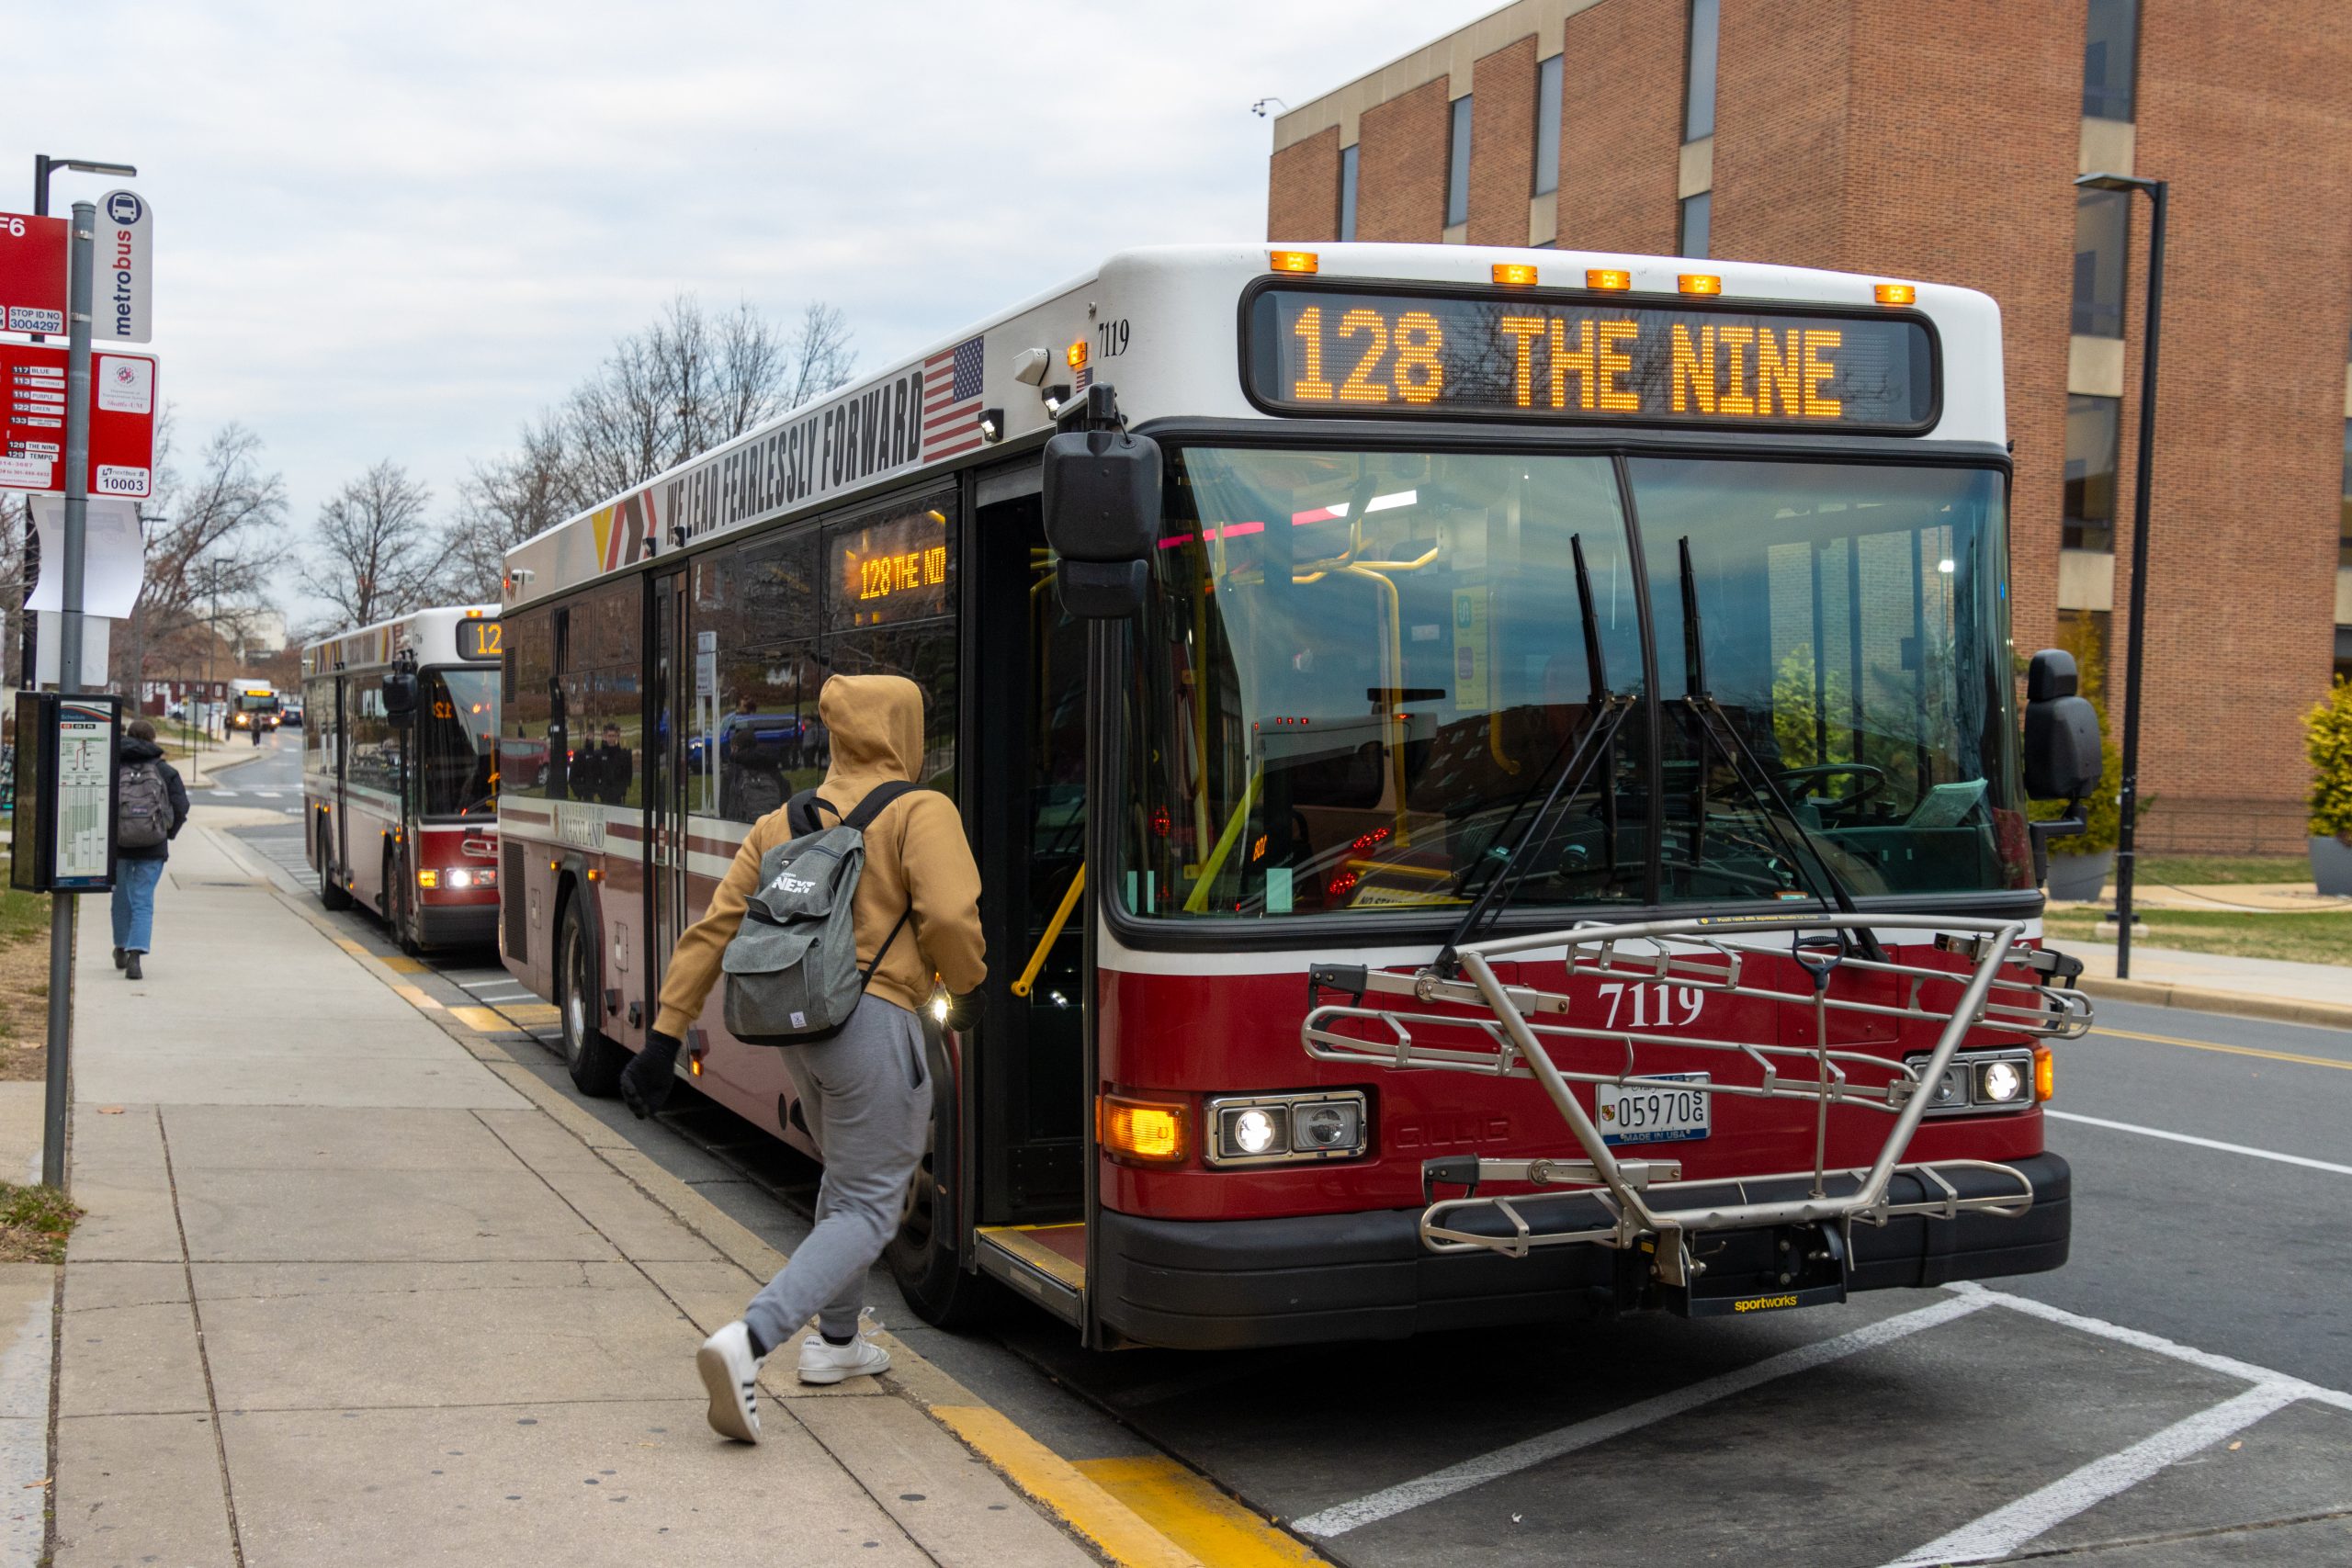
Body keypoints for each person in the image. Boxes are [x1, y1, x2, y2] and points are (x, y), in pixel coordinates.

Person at [617, 674, 984, 1444]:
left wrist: (663, 1037)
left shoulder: (780, 822)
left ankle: (839, 1342)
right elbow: (950, 914)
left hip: (801, 1034)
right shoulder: (922, 810)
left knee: (846, 1181)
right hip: (877, 1026)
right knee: (871, 1203)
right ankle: (747, 1342)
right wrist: (970, 987)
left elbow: (712, 933)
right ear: (903, 731)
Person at [113, 718, 190, 982]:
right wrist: (168, 832)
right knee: (143, 900)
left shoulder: (115, 765)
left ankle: (120, 948)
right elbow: (181, 806)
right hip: (152, 844)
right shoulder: (164, 770)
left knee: (121, 898)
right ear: (153, 739)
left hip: (120, 845)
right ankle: (136, 955)